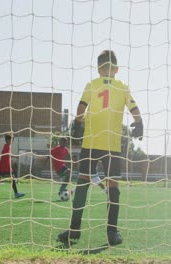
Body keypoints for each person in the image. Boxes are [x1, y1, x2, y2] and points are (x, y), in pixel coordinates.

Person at [57, 50, 143, 246]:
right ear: (117, 69)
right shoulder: (123, 87)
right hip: (112, 146)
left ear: (98, 69)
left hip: (91, 143)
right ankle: (112, 233)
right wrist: (139, 123)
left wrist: (78, 124)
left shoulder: (92, 85)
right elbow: (134, 110)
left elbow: (81, 108)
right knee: (113, 186)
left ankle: (74, 230)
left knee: (83, 182)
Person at [0, 134, 25, 199]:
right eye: (11, 140)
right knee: (5, 178)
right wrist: (15, 156)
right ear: (8, 140)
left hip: (5, 165)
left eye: (13, 140)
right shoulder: (7, 146)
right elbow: (6, 155)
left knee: (1, 178)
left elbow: (6, 155)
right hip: (4, 166)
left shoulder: (7, 146)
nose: (12, 141)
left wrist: (13, 156)